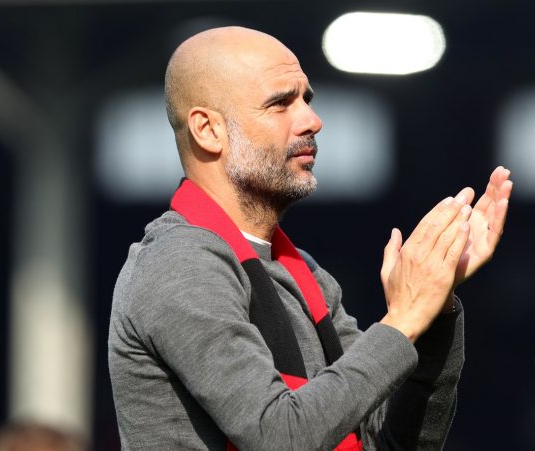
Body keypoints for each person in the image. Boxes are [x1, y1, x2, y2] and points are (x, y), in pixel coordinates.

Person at [108, 26, 512, 451]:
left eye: (306, 99)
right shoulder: (179, 263)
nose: (312, 121)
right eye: (280, 103)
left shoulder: (306, 275)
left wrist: (434, 301)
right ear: (208, 130)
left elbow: (389, 441)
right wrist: (405, 317)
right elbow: (279, 435)